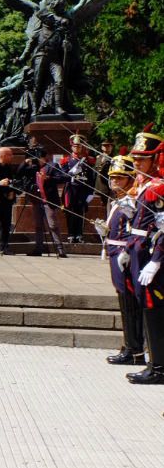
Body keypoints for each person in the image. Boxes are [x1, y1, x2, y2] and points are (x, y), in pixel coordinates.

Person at [127, 127, 164, 385]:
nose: (136, 162)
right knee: (147, 308)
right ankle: (155, 362)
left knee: (154, 309)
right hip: (140, 251)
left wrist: (157, 260)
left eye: (142, 158)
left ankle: (159, 367)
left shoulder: (158, 189)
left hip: (153, 256)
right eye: (136, 158)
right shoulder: (146, 186)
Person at [101, 156, 145, 367]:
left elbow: (134, 232)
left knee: (130, 303)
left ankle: (135, 349)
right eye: (112, 178)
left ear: (129, 179)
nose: (114, 181)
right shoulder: (118, 200)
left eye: (119, 177)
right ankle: (129, 345)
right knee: (124, 301)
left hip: (124, 256)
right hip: (114, 252)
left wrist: (125, 251)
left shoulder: (132, 201)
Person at [23, 146, 67, 257]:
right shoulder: (33, 168)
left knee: (52, 225)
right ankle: (39, 248)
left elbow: (63, 177)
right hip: (36, 199)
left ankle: (60, 249)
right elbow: (20, 172)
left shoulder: (52, 166)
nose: (36, 160)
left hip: (49, 200)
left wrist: (49, 178)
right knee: (38, 225)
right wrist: (25, 163)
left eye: (38, 158)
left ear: (43, 158)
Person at [62, 134, 96, 243]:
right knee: (70, 212)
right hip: (71, 189)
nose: (77, 148)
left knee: (81, 212)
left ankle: (79, 234)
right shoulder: (66, 160)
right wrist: (70, 173)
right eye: (75, 146)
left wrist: (91, 192)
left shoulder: (87, 161)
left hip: (83, 189)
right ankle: (71, 234)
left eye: (79, 146)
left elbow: (91, 178)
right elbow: (62, 176)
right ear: (71, 147)